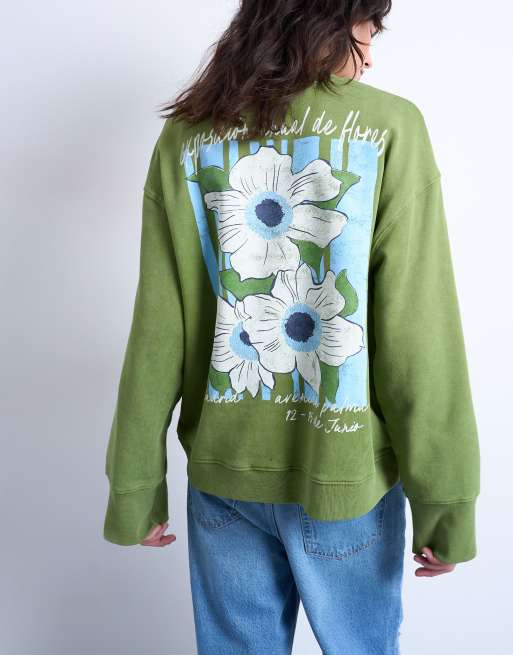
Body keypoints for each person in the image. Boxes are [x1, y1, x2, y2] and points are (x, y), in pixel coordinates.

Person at [103, 1, 481, 652]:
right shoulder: (389, 127)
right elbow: (419, 331)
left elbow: (158, 329)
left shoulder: (188, 137)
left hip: (223, 475)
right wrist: (445, 501)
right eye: (368, 32)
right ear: (326, 21)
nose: (371, 54)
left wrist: (135, 485)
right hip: (344, 478)